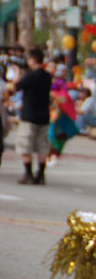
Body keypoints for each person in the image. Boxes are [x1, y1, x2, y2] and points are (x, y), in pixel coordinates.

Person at [14, 48, 53, 185]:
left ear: (32, 59)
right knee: (42, 145)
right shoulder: (47, 76)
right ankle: (41, 174)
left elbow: (17, 86)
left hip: (29, 115)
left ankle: (28, 173)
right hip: (44, 115)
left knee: (25, 144)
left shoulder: (31, 76)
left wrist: (18, 73)